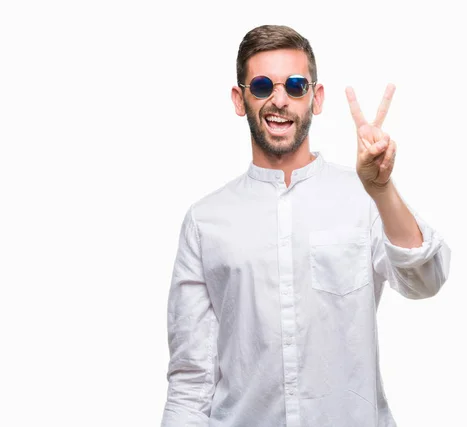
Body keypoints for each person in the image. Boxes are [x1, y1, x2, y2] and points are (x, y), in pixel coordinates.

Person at [160, 24, 451, 427]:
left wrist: (381, 190)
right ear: (239, 98)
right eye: (262, 85)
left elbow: (426, 279)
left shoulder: (363, 199)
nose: (279, 100)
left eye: (295, 86)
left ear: (315, 99)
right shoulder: (205, 222)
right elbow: (191, 378)